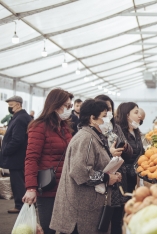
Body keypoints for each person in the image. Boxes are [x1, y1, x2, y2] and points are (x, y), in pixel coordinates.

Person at [50, 99, 122, 234]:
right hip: (80, 211)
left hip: (87, 207)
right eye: (104, 116)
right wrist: (107, 178)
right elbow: (80, 172)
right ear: (92, 119)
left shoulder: (94, 136)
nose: (107, 120)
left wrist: (112, 174)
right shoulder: (86, 138)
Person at [22, 89, 74, 234]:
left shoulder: (64, 127)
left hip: (65, 187)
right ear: (55, 105)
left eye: (70, 106)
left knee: (67, 228)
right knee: (48, 228)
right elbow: (31, 158)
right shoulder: (39, 126)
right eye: (66, 106)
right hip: (48, 187)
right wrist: (31, 188)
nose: (69, 110)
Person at [95, 95, 130, 234]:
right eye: (103, 110)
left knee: (117, 219)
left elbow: (129, 152)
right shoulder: (92, 132)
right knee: (102, 221)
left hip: (119, 179)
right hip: (102, 182)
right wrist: (110, 154)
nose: (106, 112)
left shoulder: (115, 127)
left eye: (109, 109)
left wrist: (125, 147)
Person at [0, 96, 32, 213]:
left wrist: (6, 150)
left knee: (17, 182)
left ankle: (20, 205)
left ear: (18, 104)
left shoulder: (20, 119)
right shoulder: (21, 117)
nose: (9, 108)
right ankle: (25, 204)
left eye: (11, 106)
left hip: (17, 157)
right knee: (21, 180)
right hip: (20, 156)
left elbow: (17, 139)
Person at [115, 102, 144, 193]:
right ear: (127, 115)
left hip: (135, 175)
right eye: (136, 113)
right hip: (124, 179)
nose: (140, 116)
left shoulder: (136, 131)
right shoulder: (120, 133)